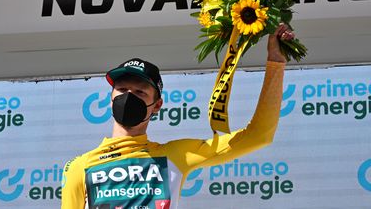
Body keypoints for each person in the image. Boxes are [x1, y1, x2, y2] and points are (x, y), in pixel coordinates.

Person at [61, 24, 293, 209]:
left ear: (157, 105)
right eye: (122, 90)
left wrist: (276, 63)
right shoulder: (79, 167)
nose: (129, 96)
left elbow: (258, 136)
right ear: (110, 98)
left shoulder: (175, 155)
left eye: (140, 92)